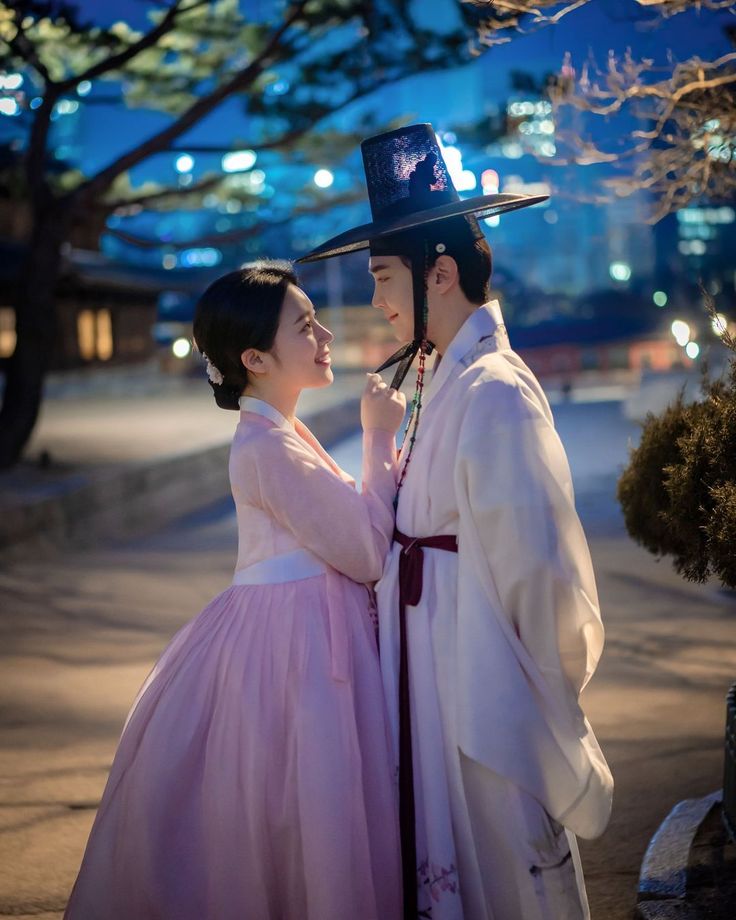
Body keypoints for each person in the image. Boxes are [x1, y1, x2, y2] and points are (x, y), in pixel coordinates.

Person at [299, 124, 613, 920]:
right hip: (432, 676)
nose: (374, 300)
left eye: (381, 277)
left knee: (501, 870)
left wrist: (540, 694)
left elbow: (545, 576)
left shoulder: (497, 390)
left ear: (439, 273)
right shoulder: (446, 378)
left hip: (482, 690)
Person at [64, 262, 404, 920]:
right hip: (298, 649)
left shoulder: (275, 434)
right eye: (305, 326)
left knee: (303, 816)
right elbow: (364, 553)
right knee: (312, 811)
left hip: (294, 633)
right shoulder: (267, 448)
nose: (325, 334)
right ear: (254, 357)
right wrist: (379, 435)